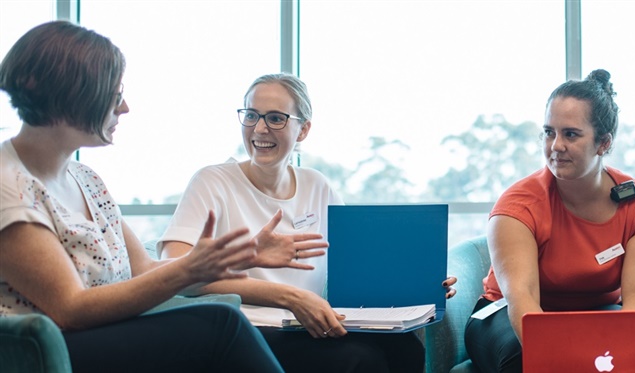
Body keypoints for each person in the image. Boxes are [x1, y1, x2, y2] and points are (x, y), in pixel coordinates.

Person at [0, 21, 288, 372]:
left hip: (102, 335)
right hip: (49, 352)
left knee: (220, 320)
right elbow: (71, 308)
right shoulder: (8, 185)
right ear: (72, 95)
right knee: (220, 326)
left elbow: (145, 270)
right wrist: (187, 269)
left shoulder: (87, 179)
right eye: (116, 95)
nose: (125, 108)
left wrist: (241, 256)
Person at [158, 73, 457, 373]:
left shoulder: (316, 184)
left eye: (275, 118)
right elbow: (171, 268)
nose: (259, 128)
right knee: (359, 360)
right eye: (251, 115)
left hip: (307, 324)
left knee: (405, 350)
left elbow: (359, 267)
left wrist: (419, 284)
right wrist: (289, 296)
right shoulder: (212, 182)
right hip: (245, 329)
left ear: (303, 130)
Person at [464, 69, 635, 373]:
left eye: (570, 134)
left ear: (603, 143)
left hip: (596, 312)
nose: (555, 146)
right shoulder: (518, 205)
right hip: (507, 314)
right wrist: (564, 358)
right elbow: (524, 300)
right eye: (549, 132)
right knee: (524, 360)